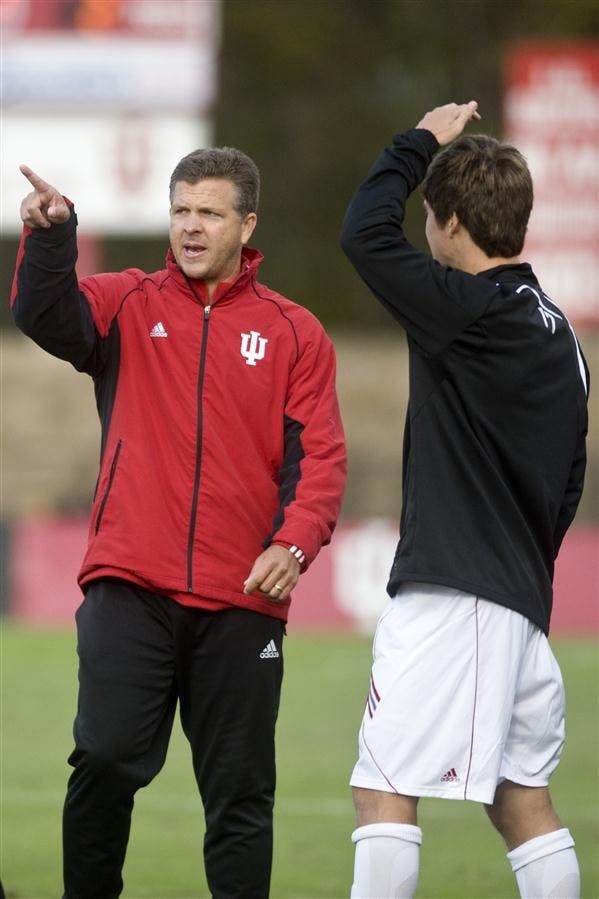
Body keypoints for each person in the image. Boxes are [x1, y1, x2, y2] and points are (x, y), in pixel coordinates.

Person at [12, 147, 347, 899]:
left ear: (246, 223)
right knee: (104, 756)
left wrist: (293, 542)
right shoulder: (128, 300)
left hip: (241, 601)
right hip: (130, 581)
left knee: (239, 796)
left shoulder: (295, 333)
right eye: (180, 211)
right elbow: (46, 314)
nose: (190, 228)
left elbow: (320, 459)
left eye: (209, 213)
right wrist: (52, 238)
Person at [340, 101, 589, 899]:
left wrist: (413, 143)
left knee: (381, 785)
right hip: (518, 599)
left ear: (449, 223)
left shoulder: (467, 311)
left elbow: (363, 234)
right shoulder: (558, 333)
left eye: (429, 219)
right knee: (520, 802)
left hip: (458, 594)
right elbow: (568, 483)